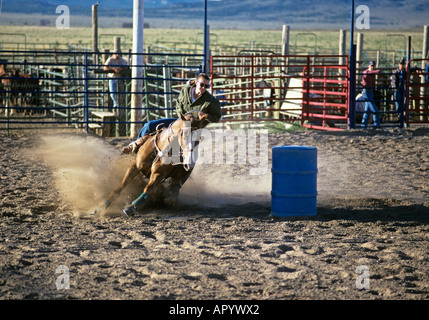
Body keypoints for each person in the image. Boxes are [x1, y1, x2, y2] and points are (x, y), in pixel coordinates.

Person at [123, 72, 222, 154]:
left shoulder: (211, 101)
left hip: (194, 128)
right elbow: (178, 104)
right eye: (202, 85)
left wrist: (206, 116)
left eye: (206, 86)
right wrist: (181, 115)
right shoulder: (186, 90)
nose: (204, 88)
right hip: (179, 122)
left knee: (184, 150)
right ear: (196, 82)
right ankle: (136, 147)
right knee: (149, 125)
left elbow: (217, 117)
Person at [104, 50, 128, 114]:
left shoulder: (121, 59)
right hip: (112, 78)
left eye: (118, 54)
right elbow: (105, 68)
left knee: (119, 93)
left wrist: (120, 69)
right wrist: (113, 69)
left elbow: (126, 67)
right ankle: (116, 105)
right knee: (113, 93)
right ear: (113, 54)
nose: (117, 55)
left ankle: (117, 106)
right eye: (116, 54)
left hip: (119, 79)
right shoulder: (110, 59)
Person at [361, 60, 381, 128]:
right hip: (366, 92)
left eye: (373, 66)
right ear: (368, 66)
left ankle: (363, 126)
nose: (372, 67)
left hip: (370, 92)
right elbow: (367, 74)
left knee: (367, 111)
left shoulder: (371, 73)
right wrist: (376, 72)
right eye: (371, 66)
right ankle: (377, 126)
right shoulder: (366, 72)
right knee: (375, 110)